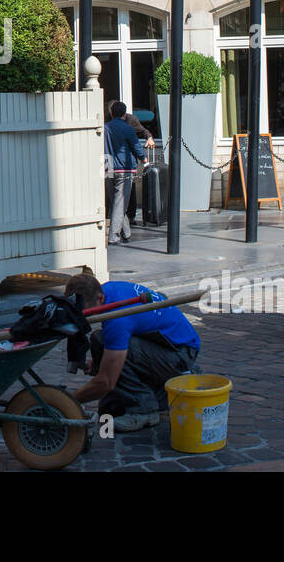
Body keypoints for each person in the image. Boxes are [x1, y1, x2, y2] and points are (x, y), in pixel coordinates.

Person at [64, 272, 201, 432]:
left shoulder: (118, 320)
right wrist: (98, 364)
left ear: (100, 299)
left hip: (180, 352)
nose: (86, 317)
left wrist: (67, 401)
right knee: (110, 407)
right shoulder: (108, 290)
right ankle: (163, 390)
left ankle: (143, 410)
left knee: (108, 344)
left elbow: (106, 382)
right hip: (165, 343)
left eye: (87, 312)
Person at [104, 101, 146, 244]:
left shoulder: (105, 127)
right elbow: (136, 146)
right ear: (124, 113)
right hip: (124, 168)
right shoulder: (127, 128)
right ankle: (114, 236)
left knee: (115, 202)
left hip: (106, 167)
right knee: (120, 203)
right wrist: (144, 159)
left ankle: (126, 233)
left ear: (111, 113)